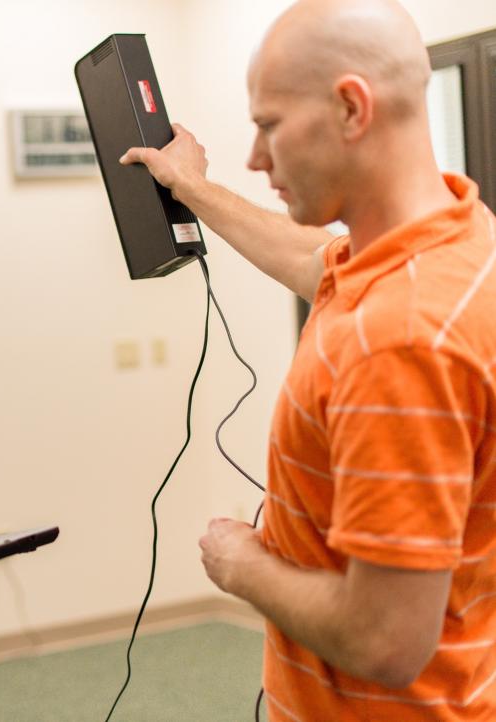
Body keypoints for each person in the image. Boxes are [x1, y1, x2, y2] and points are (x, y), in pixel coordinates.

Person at [121, 0, 496, 719]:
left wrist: (243, 566)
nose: (257, 157)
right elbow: (312, 257)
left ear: (352, 108)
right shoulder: (452, 240)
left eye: (269, 126)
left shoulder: (399, 339)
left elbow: (385, 638)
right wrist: (190, 188)